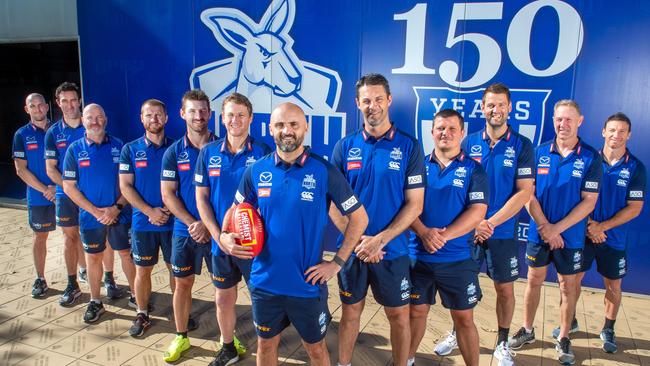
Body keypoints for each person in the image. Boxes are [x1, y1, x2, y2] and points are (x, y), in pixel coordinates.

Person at [220, 102, 368, 366]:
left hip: (306, 285)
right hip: (265, 283)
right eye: (279, 125)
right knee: (265, 346)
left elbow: (359, 218)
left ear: (305, 128)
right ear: (270, 129)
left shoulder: (324, 171)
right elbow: (233, 211)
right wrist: (224, 236)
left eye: (293, 124)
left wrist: (337, 263)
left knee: (315, 350)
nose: (286, 130)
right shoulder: (256, 171)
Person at [432, 83, 533, 365]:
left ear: (509, 107)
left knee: (504, 288)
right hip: (468, 232)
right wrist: (473, 222)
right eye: (490, 104)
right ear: (483, 107)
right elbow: (459, 187)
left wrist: (488, 221)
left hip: (500, 230)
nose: (495, 110)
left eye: (501, 104)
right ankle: (455, 332)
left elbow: (524, 191)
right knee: (461, 286)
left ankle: (502, 342)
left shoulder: (522, 145)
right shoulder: (469, 141)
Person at [330, 73, 425, 366]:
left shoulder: (410, 146)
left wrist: (379, 240)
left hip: (392, 250)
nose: (373, 105)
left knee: (399, 315)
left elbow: (415, 205)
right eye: (366, 100)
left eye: (378, 99)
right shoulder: (344, 147)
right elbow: (331, 204)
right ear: (358, 103)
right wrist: (359, 241)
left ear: (389, 100)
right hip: (352, 249)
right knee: (350, 312)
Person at [509, 100, 602, 365]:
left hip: (570, 237)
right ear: (553, 120)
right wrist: (545, 228)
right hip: (540, 234)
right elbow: (527, 194)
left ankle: (563, 337)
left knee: (567, 286)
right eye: (559, 119)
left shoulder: (590, 157)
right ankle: (527, 330)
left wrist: (556, 229)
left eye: (569, 120)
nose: (563, 124)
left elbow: (589, 201)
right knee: (533, 280)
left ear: (580, 121)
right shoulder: (538, 152)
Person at [408, 109, 489, 366]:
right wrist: (423, 232)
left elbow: (478, 211)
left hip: (458, 258)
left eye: (452, 128)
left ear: (462, 134)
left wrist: (443, 237)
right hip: (417, 257)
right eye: (441, 128)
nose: (446, 133)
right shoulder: (417, 165)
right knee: (416, 313)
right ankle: (407, 360)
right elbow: (405, 206)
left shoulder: (474, 170)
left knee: (464, 319)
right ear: (432, 133)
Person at [195, 93, 272, 365]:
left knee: (261, 299)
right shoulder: (208, 152)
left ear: (251, 118)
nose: (235, 120)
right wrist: (219, 237)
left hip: (254, 246)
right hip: (221, 243)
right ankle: (227, 347)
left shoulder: (265, 153)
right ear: (222, 118)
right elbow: (201, 198)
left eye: (241, 114)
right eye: (230, 114)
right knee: (223, 298)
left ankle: (267, 348)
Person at [45, 82, 121, 307]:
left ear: (79, 101)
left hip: (96, 197)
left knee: (103, 237)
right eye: (64, 101)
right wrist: (75, 191)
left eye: (73, 100)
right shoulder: (53, 132)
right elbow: (51, 168)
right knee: (71, 239)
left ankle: (108, 277)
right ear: (58, 104)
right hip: (68, 194)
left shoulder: (92, 123)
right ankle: (73, 283)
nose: (69, 105)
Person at [62, 104, 136, 323]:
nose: (95, 121)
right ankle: (95, 301)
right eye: (90, 117)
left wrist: (116, 208)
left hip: (119, 214)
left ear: (105, 119)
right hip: (90, 217)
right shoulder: (74, 150)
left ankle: (136, 297)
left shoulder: (119, 146)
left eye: (99, 117)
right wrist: (95, 211)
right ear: (83, 121)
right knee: (93, 258)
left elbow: (128, 184)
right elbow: (69, 187)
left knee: (125, 254)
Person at [577, 113, 645, 353]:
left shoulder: (635, 167)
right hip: (582, 235)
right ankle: (571, 321)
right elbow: (573, 198)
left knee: (613, 287)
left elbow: (635, 208)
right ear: (603, 132)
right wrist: (589, 226)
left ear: (629, 135)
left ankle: (608, 328)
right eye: (612, 130)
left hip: (613, 239)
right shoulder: (586, 159)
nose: (616, 135)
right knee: (571, 282)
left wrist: (602, 227)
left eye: (622, 131)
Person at [161, 90, 216, 362]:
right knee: (182, 284)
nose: (198, 116)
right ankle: (181, 337)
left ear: (210, 112)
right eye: (192, 111)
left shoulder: (224, 146)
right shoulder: (173, 153)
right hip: (186, 231)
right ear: (183, 114)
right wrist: (193, 223)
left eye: (203, 110)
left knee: (224, 288)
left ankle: (228, 338)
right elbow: (168, 194)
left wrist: (210, 226)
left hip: (218, 232)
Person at [119, 99, 175, 337]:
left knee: (177, 270)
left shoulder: (177, 148)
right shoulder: (129, 150)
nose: (154, 119)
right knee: (142, 271)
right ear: (141, 119)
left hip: (174, 224)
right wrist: (150, 211)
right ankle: (141, 313)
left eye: (158, 115)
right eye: (149, 115)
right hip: (143, 223)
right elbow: (126, 187)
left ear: (166, 118)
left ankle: (180, 312)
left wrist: (170, 209)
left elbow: (185, 186)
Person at [12, 93, 56, 298]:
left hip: (63, 194)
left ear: (47, 107)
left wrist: (58, 188)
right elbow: (21, 169)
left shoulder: (58, 131)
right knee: (40, 237)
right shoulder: (21, 135)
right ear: (26, 109)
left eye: (41, 105)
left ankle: (80, 273)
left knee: (74, 235)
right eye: (33, 106)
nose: (38, 109)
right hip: (40, 197)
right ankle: (40, 278)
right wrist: (45, 190)